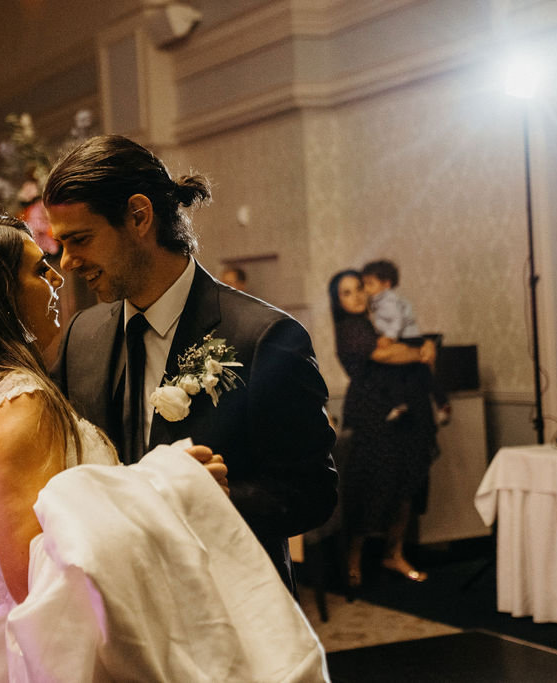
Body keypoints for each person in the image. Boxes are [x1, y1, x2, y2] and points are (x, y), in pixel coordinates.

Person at [0, 215, 328, 681]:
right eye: (37, 269)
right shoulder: (20, 402)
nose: (57, 275)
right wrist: (165, 491)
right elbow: (37, 574)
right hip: (33, 650)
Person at [43, 134, 338, 594]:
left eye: (79, 239)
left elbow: (312, 495)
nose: (67, 261)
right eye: (61, 243)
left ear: (139, 217)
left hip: (227, 607)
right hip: (112, 606)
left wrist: (216, 498)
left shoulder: (262, 338)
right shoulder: (82, 335)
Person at [328, 269, 438, 590]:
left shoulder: (382, 318)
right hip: (370, 413)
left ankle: (395, 553)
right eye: (346, 292)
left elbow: (409, 340)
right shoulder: (349, 328)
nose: (357, 296)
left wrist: (423, 345)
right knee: (369, 486)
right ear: (337, 300)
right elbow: (384, 353)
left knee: (405, 483)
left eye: (359, 288)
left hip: (403, 408)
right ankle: (353, 560)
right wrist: (420, 352)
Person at [361, 258, 451, 424]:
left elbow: (397, 320)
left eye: (370, 283)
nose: (365, 288)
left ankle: (401, 402)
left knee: (398, 372)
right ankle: (441, 402)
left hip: (406, 338)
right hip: (408, 337)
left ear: (386, 283)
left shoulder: (387, 300)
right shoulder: (379, 301)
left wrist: (390, 337)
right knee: (421, 372)